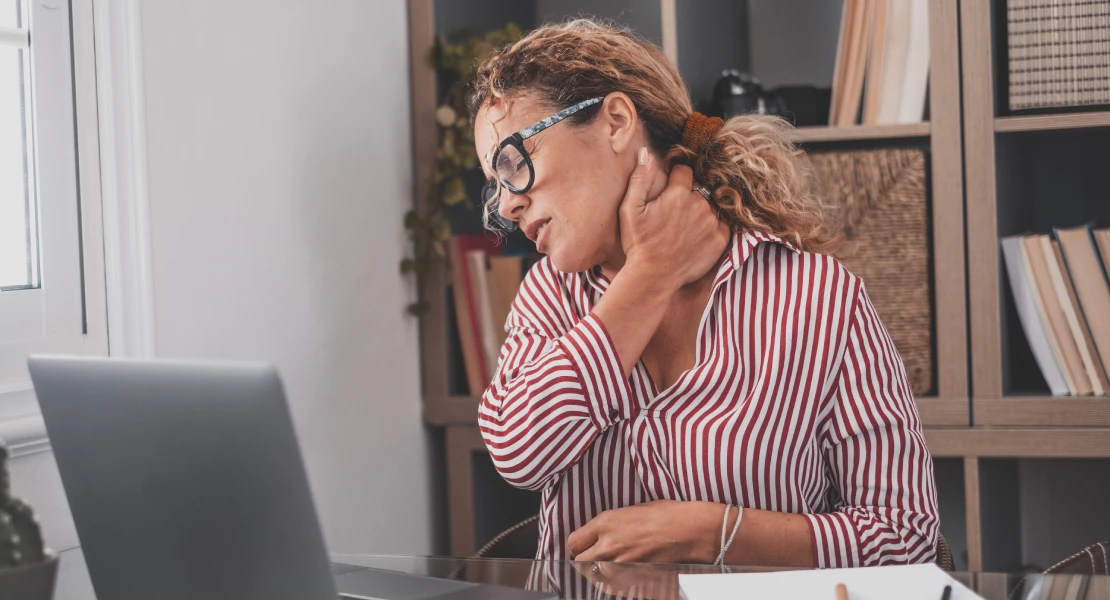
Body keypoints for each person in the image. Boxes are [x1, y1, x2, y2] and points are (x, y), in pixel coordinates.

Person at [470, 18, 938, 570]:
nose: (505, 206)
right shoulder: (551, 294)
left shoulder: (819, 298)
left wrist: (715, 532)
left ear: (615, 122)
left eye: (511, 164)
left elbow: (906, 537)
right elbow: (519, 453)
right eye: (494, 183)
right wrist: (651, 272)